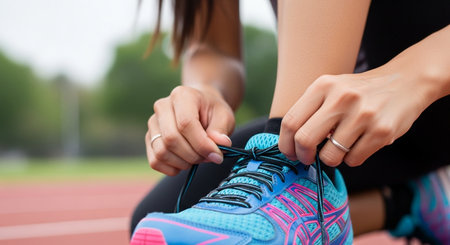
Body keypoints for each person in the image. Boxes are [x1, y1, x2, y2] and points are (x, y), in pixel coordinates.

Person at [131, 0, 450, 244]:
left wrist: (413, 77)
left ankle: (298, 183)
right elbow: (214, 48)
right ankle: (413, 200)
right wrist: (207, 90)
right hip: (353, 131)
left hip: (432, 95)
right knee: (170, 221)